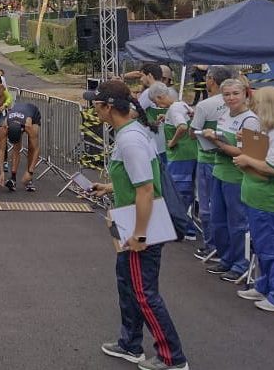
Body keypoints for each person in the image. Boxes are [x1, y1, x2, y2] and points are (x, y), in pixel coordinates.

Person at [86, 81, 188, 370]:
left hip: (140, 224)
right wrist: (109, 187)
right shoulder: (130, 133)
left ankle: (172, 357)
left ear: (108, 107)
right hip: (129, 219)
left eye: (96, 106)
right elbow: (138, 181)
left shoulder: (130, 139)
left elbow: (145, 189)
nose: (94, 111)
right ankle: (130, 344)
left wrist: (140, 234)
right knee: (128, 285)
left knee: (144, 292)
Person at [200, 78, 259, 282]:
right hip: (219, 172)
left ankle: (240, 264)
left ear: (245, 94)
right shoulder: (225, 114)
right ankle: (226, 259)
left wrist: (215, 140)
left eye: (235, 93)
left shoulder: (250, 120)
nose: (231, 98)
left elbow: (248, 154)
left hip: (237, 177)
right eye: (227, 94)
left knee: (238, 223)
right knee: (218, 221)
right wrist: (213, 140)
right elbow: (224, 142)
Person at [233, 86, 274, 312]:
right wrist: (245, 142)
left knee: (269, 247)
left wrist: (247, 159)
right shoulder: (267, 130)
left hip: (266, 200)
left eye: (256, 103)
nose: (252, 108)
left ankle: (272, 292)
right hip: (255, 196)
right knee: (261, 246)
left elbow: (270, 166)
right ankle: (263, 285)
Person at [189, 66, 234, 261]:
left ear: (211, 80)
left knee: (207, 205)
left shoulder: (205, 105)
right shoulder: (234, 105)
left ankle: (211, 245)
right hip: (231, 160)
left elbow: (192, 132)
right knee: (228, 208)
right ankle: (228, 250)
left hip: (208, 158)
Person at [150, 83, 198, 240]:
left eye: (156, 102)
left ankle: (182, 228)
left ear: (160, 97)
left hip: (180, 156)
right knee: (185, 192)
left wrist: (172, 142)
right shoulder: (181, 104)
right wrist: (167, 118)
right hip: (189, 154)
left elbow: (182, 126)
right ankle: (186, 227)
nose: (157, 106)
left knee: (178, 193)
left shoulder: (174, 108)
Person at [6, 102, 41, 192]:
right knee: (16, 148)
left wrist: (30, 172)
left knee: (31, 147)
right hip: (18, 117)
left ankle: (29, 178)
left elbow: (37, 149)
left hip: (32, 115)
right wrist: (1, 172)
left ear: (22, 130)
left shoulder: (28, 126)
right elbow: (1, 149)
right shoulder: (6, 124)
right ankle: (13, 178)